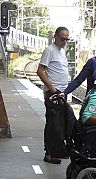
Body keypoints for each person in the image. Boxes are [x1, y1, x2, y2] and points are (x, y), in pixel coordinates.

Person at [37, 26, 70, 164]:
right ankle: (49, 153)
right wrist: (51, 87)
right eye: (62, 39)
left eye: (67, 39)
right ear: (55, 37)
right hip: (53, 93)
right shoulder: (49, 50)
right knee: (52, 124)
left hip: (61, 93)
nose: (64, 41)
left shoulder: (62, 51)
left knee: (60, 123)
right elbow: (40, 70)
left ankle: (57, 150)